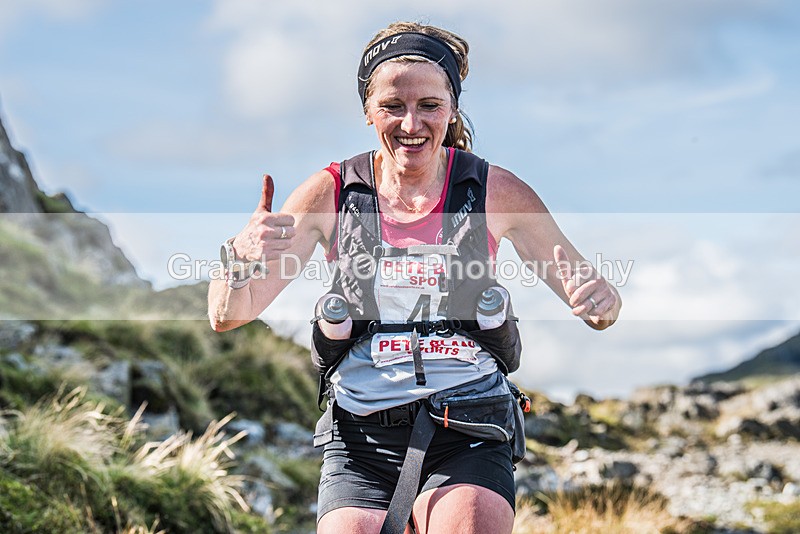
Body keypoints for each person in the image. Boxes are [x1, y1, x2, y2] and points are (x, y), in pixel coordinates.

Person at [208, 21, 621, 534]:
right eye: (392, 106)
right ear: (367, 112)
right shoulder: (330, 193)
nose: (411, 123)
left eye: (429, 105)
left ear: (452, 108)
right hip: (360, 434)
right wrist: (238, 255)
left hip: (468, 420)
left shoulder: (495, 190)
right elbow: (229, 314)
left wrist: (602, 303)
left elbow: (593, 299)